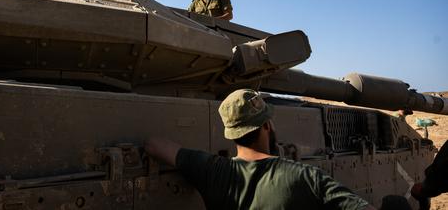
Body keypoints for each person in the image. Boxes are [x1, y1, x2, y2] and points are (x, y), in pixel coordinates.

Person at [145, 89, 373, 210]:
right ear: (267, 126)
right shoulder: (304, 176)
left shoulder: (210, 170)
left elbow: (154, 145)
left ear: (231, 133)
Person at [411, 140, 448, 210]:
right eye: (414, 188)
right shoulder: (434, 177)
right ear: (419, 190)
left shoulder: (437, 186)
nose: (415, 184)